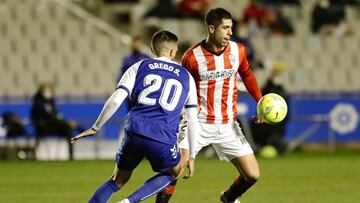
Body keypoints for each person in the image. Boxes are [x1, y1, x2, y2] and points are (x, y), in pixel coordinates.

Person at [70, 30, 199, 203]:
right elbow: (191, 119)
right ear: (173, 52)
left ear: (152, 50)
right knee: (175, 171)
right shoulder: (186, 77)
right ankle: (130, 201)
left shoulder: (138, 67)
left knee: (117, 180)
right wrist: (191, 156)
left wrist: (95, 127)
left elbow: (115, 100)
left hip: (134, 132)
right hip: (162, 137)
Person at [156, 7, 263, 203]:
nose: (230, 32)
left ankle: (228, 198)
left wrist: (260, 101)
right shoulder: (192, 57)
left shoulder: (238, 50)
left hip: (228, 124)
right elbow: (180, 88)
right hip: (198, 122)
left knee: (253, 175)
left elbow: (246, 74)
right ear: (211, 28)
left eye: (231, 27)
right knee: (174, 170)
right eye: (225, 28)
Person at [31, 82, 82, 160]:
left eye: (50, 89)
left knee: (68, 130)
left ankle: (71, 156)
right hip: (44, 127)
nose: (48, 92)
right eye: (46, 89)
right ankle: (81, 130)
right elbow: (37, 118)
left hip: (55, 126)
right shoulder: (37, 103)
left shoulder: (52, 103)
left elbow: (57, 115)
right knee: (66, 124)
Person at [252, 61, 289, 154]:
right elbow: (262, 98)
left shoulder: (282, 90)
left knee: (276, 140)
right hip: (266, 123)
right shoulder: (268, 87)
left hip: (278, 124)